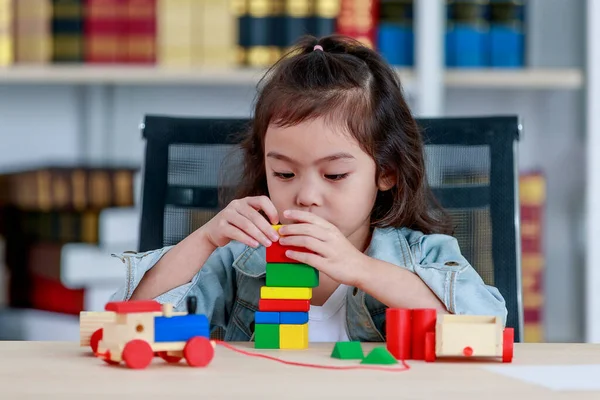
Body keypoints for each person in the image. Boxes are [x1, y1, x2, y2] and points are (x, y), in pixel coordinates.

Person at [109, 35, 507, 343]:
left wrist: (361, 269)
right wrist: (207, 238)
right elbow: (132, 320)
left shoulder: (424, 257)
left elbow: (484, 330)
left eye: (334, 175)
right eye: (284, 174)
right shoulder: (238, 262)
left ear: (386, 172)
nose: (306, 196)